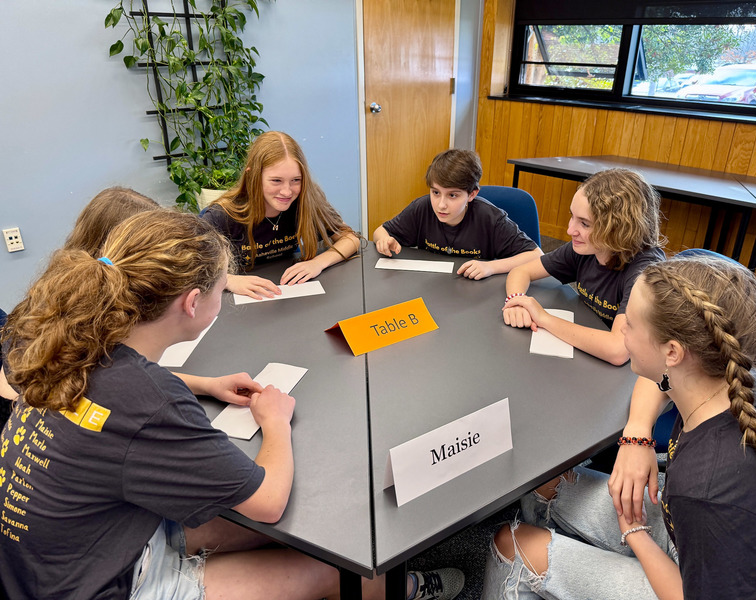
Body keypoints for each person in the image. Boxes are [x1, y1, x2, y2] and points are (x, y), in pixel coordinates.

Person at [0, 210, 463, 600]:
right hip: (99, 584)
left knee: (297, 532)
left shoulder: (72, 341)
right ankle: (408, 587)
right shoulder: (152, 402)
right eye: (224, 289)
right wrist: (275, 421)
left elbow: (116, 394)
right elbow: (267, 503)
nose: (226, 297)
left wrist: (204, 382)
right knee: (334, 567)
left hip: (51, 559)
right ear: (193, 302)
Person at [482, 256, 756, 600]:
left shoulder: (705, 486)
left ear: (673, 352)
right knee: (544, 479)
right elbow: (660, 381)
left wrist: (635, 534)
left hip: (696, 579)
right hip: (706, 542)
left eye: (629, 325)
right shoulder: (738, 376)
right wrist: (637, 435)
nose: (621, 334)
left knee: (511, 543)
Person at [0, 187, 264, 409]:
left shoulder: (87, 307)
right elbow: (102, 385)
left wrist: (205, 385)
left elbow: (113, 373)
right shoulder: (62, 319)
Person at [502, 168, 666, 365]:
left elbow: (618, 350)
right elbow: (522, 271)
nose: (571, 230)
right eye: (572, 216)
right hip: (588, 353)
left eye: (584, 224)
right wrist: (517, 301)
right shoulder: (587, 248)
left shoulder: (644, 272)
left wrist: (543, 317)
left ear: (618, 229)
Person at [202, 130, 361, 300]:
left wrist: (318, 263)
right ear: (252, 176)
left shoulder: (305, 201)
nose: (287, 191)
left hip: (287, 294)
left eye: (296, 180)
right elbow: (188, 268)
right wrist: (228, 280)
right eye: (276, 181)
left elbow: (351, 239)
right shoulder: (222, 215)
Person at [373, 148, 542, 279]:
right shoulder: (422, 208)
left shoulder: (490, 218)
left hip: (476, 294)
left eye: (452, 195)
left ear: (472, 194)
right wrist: (383, 240)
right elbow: (381, 231)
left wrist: (491, 267)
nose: (441, 205)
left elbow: (536, 255)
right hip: (432, 286)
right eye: (435, 192)